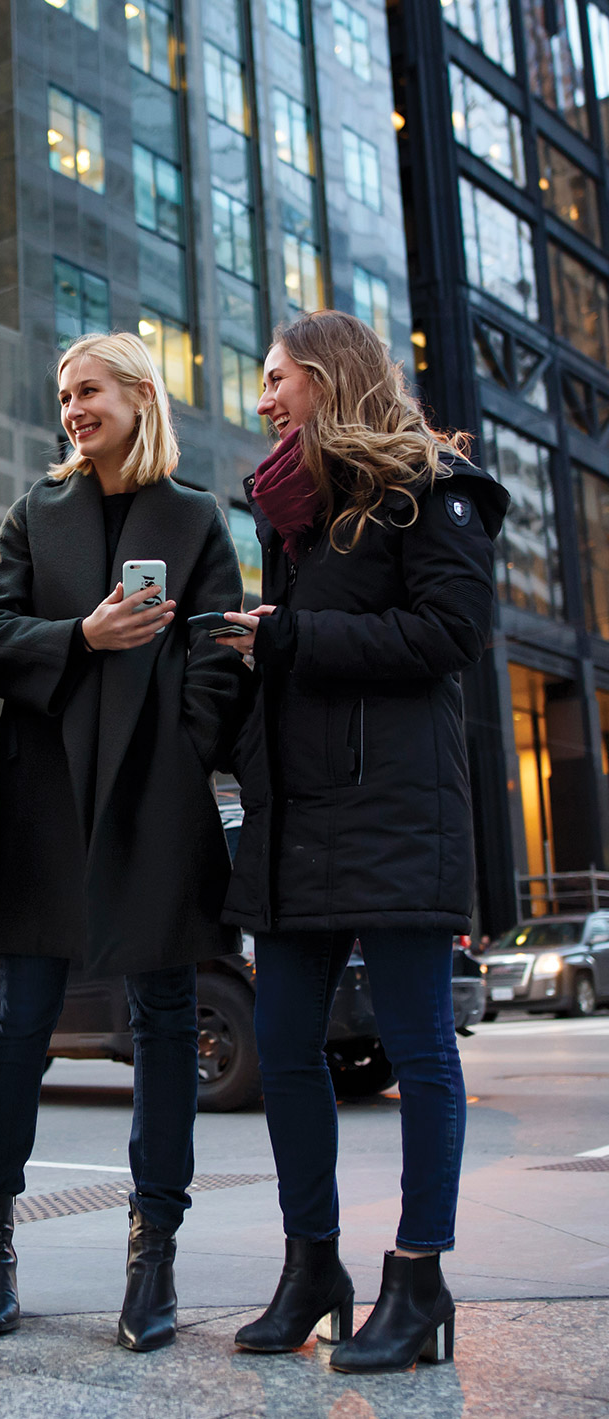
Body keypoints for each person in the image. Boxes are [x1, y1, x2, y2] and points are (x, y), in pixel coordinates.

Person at [217, 311, 508, 1374]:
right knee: (285, 1044)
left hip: (395, 814)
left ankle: (418, 1280)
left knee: (421, 1048)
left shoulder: (429, 488)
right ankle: (312, 1267)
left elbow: (449, 636)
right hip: (297, 818)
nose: (261, 400)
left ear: (328, 376)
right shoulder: (289, 512)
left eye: (275, 376)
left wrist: (289, 635)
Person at [0, 331, 247, 1352]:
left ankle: (153, 1252)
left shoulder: (195, 517)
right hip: (44, 803)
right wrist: (80, 637)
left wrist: (182, 750)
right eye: (63, 395)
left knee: (165, 1025)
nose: (72, 408)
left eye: (88, 391)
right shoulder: (36, 511)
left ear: (137, 394)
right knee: (18, 1025)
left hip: (154, 804)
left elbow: (222, 653)